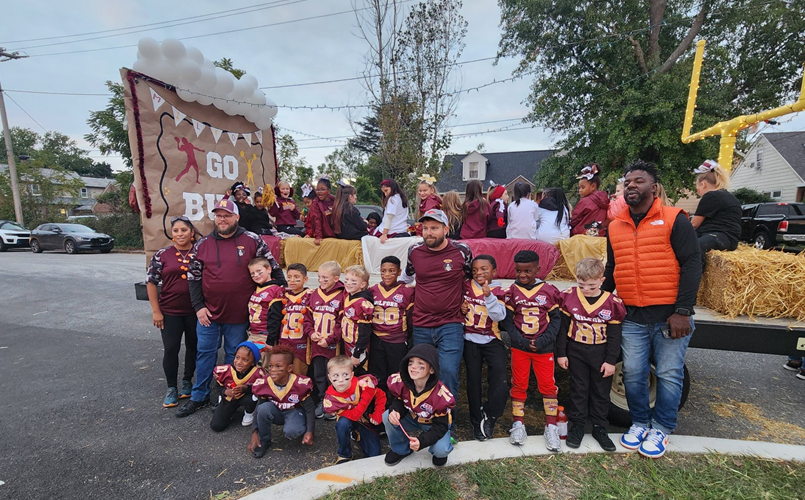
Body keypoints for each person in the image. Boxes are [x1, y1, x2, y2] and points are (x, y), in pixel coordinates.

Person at [604, 159, 701, 459]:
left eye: (639, 181)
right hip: (632, 315)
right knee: (633, 373)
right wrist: (598, 302)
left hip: (669, 315)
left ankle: (661, 429)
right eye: (627, 181)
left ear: (654, 187)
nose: (631, 185)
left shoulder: (675, 219)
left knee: (670, 374)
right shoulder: (615, 225)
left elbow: (692, 264)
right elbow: (612, 268)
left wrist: (683, 310)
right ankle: (639, 423)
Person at [178, 199, 285, 418]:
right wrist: (198, 306)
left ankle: (228, 396)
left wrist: (285, 296)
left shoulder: (252, 240)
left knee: (235, 358)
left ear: (237, 217)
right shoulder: (203, 244)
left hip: (239, 315)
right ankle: (199, 396)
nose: (222, 219)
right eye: (218, 215)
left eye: (227, 215)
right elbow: (193, 278)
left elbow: (273, 269)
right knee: (205, 354)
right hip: (209, 313)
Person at [400, 209, 472, 432]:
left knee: (448, 372)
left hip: (450, 323)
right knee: (420, 374)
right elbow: (407, 277)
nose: (428, 233)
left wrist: (467, 301)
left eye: (434, 228)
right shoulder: (414, 251)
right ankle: (423, 420)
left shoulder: (462, 251)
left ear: (446, 230)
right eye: (425, 228)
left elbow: (470, 278)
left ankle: (446, 427)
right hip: (421, 324)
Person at [556, 258, 626, 451]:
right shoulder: (568, 297)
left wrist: (611, 360)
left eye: (591, 286)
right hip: (576, 349)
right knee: (578, 389)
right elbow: (562, 329)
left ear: (602, 280)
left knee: (600, 391)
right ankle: (577, 425)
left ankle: (599, 427)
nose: (586, 289)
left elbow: (614, 335)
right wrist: (561, 353)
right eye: (581, 285)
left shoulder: (612, 303)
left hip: (600, 351)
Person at [502, 250, 563, 452]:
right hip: (521, 348)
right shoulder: (513, 291)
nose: (522, 275)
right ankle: (518, 423)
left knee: (547, 385)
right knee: (519, 384)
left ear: (538, 269)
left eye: (527, 271)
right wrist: (520, 341)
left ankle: (551, 426)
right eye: (519, 271)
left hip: (543, 349)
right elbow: (507, 322)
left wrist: (544, 340)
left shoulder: (549, 290)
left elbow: (556, 320)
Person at [146, 215, 200, 408]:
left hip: (195, 311)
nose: (180, 234)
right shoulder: (162, 255)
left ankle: (187, 381)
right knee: (171, 349)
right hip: (169, 311)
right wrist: (156, 311)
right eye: (176, 230)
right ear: (171, 233)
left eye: (184, 230)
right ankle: (171, 388)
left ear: (192, 232)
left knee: (194, 347)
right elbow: (151, 282)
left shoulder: (201, 252)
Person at [383, 344, 456, 468]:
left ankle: (440, 450)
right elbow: (400, 401)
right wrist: (395, 411)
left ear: (431, 369)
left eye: (420, 364)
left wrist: (422, 441)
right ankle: (401, 449)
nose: (414, 367)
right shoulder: (403, 381)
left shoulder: (440, 395)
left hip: (434, 425)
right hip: (413, 418)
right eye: (411, 362)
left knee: (441, 450)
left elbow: (440, 426)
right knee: (387, 416)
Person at [461, 255, 507, 441]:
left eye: (484, 269)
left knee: (500, 379)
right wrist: (461, 308)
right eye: (475, 270)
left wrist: (489, 296)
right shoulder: (465, 286)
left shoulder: (499, 290)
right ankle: (476, 419)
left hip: (491, 338)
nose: (479, 273)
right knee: (473, 380)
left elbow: (499, 316)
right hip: (469, 338)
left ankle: (490, 414)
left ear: (494, 271)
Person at [249, 346, 316, 458]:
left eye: (278, 366)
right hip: (277, 412)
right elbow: (259, 407)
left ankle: (300, 426)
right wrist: (254, 432)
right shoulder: (265, 383)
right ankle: (265, 441)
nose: (272, 370)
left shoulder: (299, 383)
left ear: (289, 368)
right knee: (263, 408)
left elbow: (310, 408)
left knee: (292, 431)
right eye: (270, 366)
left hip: (294, 411)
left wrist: (310, 431)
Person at [323, 356, 386, 464]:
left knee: (374, 455)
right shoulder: (331, 399)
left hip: (365, 420)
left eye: (345, 375)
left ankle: (358, 433)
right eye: (336, 376)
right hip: (349, 419)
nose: (341, 380)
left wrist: (378, 413)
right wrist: (368, 395)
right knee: (342, 424)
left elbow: (381, 395)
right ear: (329, 377)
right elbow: (355, 415)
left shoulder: (361, 384)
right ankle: (344, 453)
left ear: (352, 375)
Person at [304, 260, 344, 420]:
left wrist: (331, 339)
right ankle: (323, 399)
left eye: (325, 278)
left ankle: (336, 401)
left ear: (336, 278)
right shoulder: (314, 294)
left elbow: (343, 323)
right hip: (317, 346)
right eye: (319, 277)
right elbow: (306, 319)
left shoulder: (343, 295)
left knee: (335, 375)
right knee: (319, 374)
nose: (321, 281)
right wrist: (311, 333)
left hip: (334, 347)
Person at [369, 256, 414, 396]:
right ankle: (378, 407)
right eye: (383, 271)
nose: (387, 275)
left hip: (397, 341)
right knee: (378, 375)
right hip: (377, 339)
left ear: (400, 272)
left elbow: (411, 318)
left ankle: (395, 406)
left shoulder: (407, 291)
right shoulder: (372, 290)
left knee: (396, 375)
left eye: (391, 271)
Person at [691, 160, 742, 270]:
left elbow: (694, 225)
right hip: (729, 238)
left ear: (703, 184)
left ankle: (696, 275)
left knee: (695, 246)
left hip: (721, 236)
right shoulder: (730, 196)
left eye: (698, 190)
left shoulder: (711, 196)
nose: (699, 193)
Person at [210, 341, 264, 431]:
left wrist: (246, 388)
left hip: (246, 397)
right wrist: (225, 392)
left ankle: (249, 412)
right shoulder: (225, 370)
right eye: (237, 357)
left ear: (253, 362)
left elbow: (262, 389)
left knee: (252, 398)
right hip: (230, 397)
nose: (239, 362)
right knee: (216, 426)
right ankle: (225, 404)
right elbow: (218, 386)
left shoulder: (258, 373)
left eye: (245, 360)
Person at [278, 263, 312, 376]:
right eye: (289, 277)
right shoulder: (283, 295)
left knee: (299, 374)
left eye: (297, 277)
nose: (292, 280)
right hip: (284, 340)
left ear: (305, 279)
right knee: (282, 372)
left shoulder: (310, 295)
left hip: (300, 343)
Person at [246, 257, 285, 355]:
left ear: (269, 269)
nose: (256, 275)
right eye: (252, 274)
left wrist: (271, 340)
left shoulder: (275, 290)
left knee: (263, 366)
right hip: (253, 333)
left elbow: (275, 317)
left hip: (265, 335)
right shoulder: (258, 287)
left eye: (259, 271)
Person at [340, 265, 374, 370]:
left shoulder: (363, 303)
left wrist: (357, 353)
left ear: (363, 284)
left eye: (353, 281)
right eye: (346, 279)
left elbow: (365, 332)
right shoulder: (349, 294)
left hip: (357, 348)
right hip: (347, 343)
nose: (348, 283)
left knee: (360, 375)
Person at [570, 164, 610, 237]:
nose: (580, 190)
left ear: (593, 186)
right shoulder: (606, 200)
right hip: (600, 236)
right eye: (579, 188)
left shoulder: (585, 201)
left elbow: (575, 218)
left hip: (582, 235)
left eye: (583, 187)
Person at [306, 178, 336, 245]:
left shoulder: (335, 201)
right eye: (317, 190)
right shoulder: (316, 203)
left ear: (329, 191)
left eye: (322, 189)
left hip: (335, 234)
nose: (319, 192)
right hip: (324, 235)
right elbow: (317, 220)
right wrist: (318, 236)